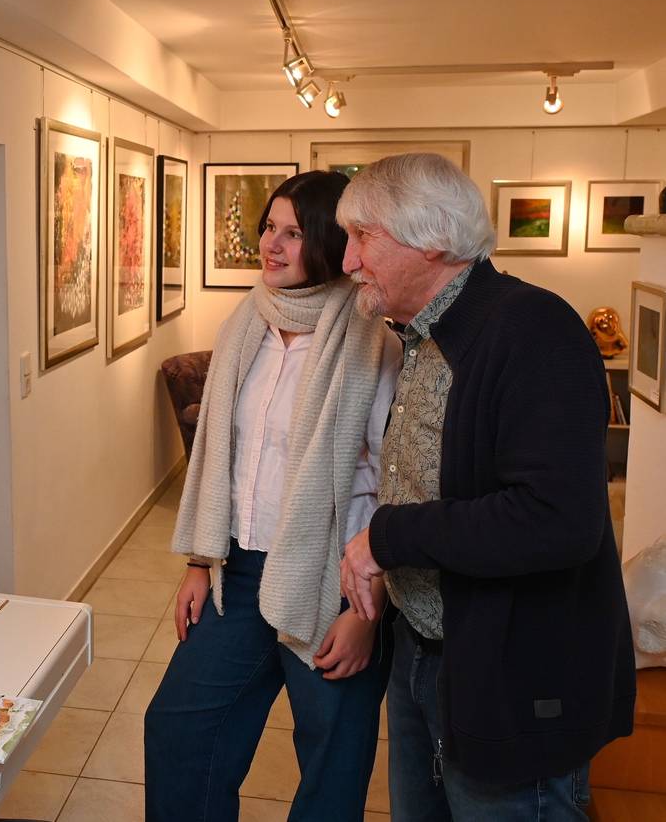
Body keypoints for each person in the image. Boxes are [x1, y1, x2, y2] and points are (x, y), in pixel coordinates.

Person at [338, 153, 636, 820]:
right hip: (424, 653)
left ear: (432, 239)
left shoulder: (534, 330)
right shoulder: (423, 335)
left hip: (511, 677)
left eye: (362, 236)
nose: (349, 260)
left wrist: (386, 538)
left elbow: (557, 521)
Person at [145, 169, 401, 822]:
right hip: (239, 570)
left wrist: (367, 610)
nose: (271, 245)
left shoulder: (375, 346)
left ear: (329, 242)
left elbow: (395, 486)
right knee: (179, 730)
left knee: (331, 761)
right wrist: (199, 562)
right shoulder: (245, 327)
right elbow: (220, 458)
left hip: (334, 580)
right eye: (268, 228)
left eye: (293, 233)